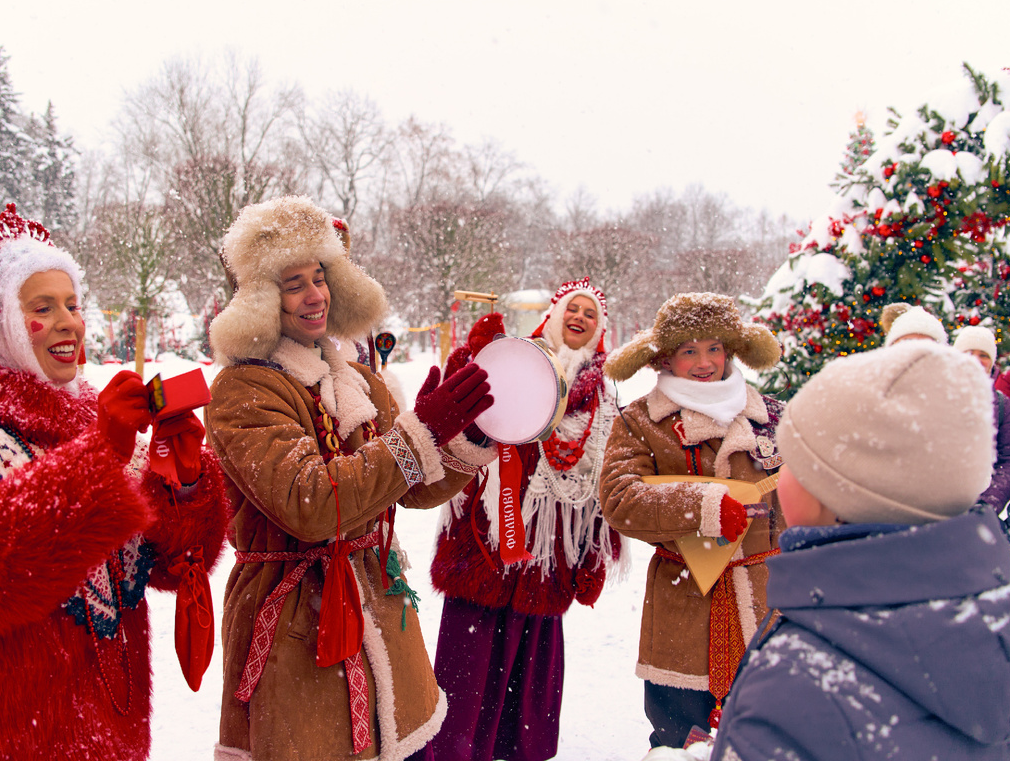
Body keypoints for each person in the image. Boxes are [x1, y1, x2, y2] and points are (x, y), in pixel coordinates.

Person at [0, 204, 227, 761]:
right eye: (42, 306)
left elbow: (172, 568)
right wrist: (99, 455)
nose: (68, 322)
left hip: (106, 736)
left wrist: (184, 482)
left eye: (73, 304)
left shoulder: (99, 429)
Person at [205, 195, 494, 761]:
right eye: (294, 283)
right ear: (261, 296)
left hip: (378, 603)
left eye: (321, 276)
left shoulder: (355, 377)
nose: (315, 295)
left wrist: (463, 435)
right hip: (294, 620)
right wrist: (417, 437)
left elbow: (411, 488)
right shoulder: (244, 391)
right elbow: (309, 504)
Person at [711, 341, 1010, 760]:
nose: (782, 474)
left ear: (837, 492)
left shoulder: (798, 688)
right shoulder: (1007, 615)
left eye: (795, 461)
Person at [429, 277, 624, 761]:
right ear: (554, 315)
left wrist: (597, 554)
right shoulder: (513, 361)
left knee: (525, 687)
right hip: (484, 543)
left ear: (600, 330)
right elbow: (462, 412)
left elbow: (606, 481)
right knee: (465, 673)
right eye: (572, 309)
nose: (579, 318)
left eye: (590, 314)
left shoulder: (605, 400)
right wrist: (470, 358)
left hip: (548, 560)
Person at [598, 292, 786, 748]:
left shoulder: (774, 415)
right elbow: (619, 498)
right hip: (683, 608)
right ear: (666, 357)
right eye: (689, 351)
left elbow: (804, 507)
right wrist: (701, 508)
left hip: (768, 607)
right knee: (679, 740)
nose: (704, 362)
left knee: (768, 738)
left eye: (714, 348)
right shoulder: (641, 421)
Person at [954, 325, 1010, 512]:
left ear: (992, 362)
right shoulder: (934, 397)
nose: (976, 359)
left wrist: (988, 503)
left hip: (979, 511)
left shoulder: (1002, 405)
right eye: (969, 352)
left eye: (984, 355)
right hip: (933, 506)